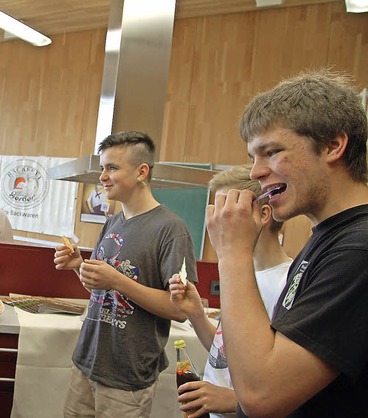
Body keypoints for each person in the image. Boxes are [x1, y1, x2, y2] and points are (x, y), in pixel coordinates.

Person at [205, 69, 368, 417]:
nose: (255, 173)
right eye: (253, 157)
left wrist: (233, 252)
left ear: (333, 146)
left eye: (272, 152)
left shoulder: (358, 249)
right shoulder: (326, 236)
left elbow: (260, 395)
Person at [54, 130, 198, 417]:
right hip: (87, 362)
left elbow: (181, 310)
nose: (103, 176)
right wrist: (79, 267)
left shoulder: (171, 229)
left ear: (142, 172)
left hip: (128, 377)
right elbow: (100, 289)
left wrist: (117, 280)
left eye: (112, 168)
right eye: (103, 168)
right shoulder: (113, 222)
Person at [169, 164, 292, 418]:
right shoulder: (242, 275)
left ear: (264, 214)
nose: (215, 221)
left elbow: (290, 384)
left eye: (226, 211)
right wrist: (196, 314)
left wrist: (233, 400)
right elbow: (227, 353)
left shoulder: (289, 283)